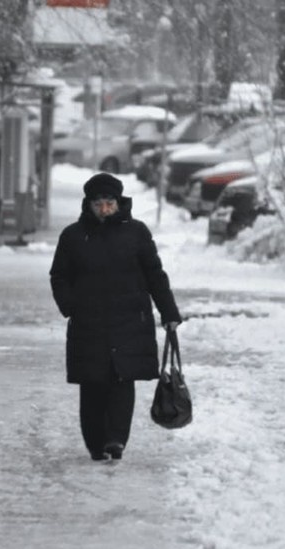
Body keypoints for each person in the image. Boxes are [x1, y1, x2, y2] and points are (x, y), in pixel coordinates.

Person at [49, 173, 182, 462]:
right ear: (89, 204)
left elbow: (155, 276)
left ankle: (116, 440)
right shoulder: (73, 236)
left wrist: (169, 312)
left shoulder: (136, 233)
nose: (105, 209)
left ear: (119, 203)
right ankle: (96, 443)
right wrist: (70, 305)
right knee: (93, 384)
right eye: (99, 204)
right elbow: (59, 275)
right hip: (89, 323)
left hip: (129, 321)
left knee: (123, 381)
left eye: (109, 203)